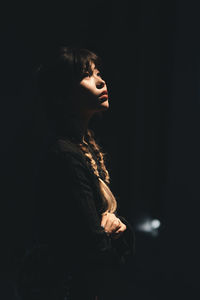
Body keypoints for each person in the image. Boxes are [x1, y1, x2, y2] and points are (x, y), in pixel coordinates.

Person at [15, 46, 135, 300]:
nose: (101, 81)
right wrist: (110, 234)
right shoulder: (65, 155)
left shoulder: (83, 149)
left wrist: (116, 230)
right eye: (86, 75)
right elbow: (93, 249)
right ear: (62, 94)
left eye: (98, 73)